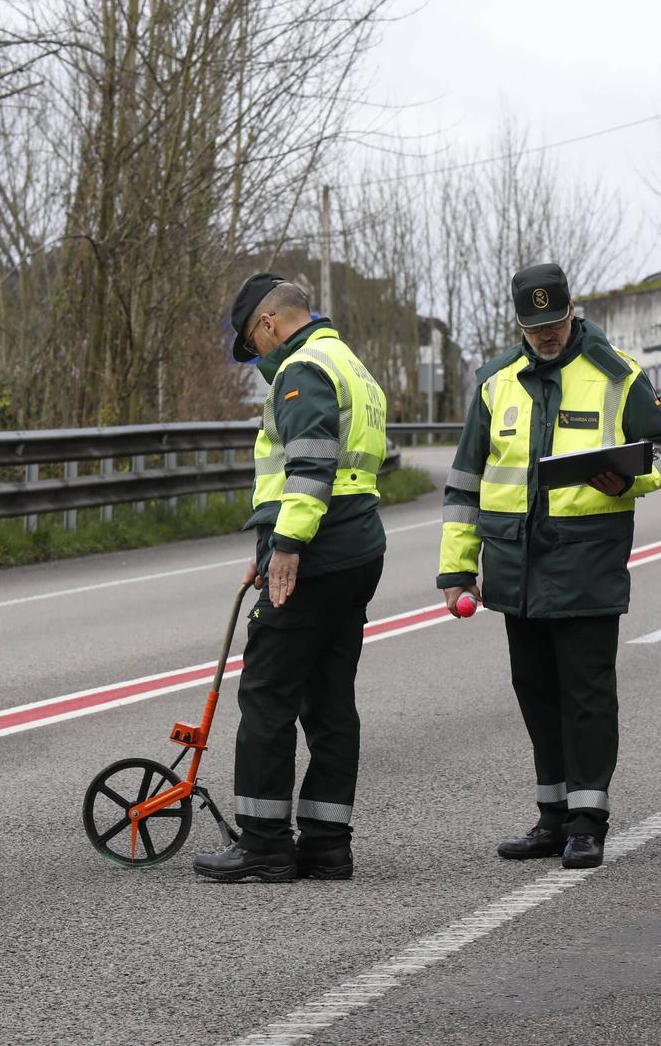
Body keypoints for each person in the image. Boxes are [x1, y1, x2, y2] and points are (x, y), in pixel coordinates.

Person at [437, 263, 661, 869]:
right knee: (536, 693)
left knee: (587, 696)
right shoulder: (497, 382)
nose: (546, 335)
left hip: (587, 563)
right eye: (533, 325)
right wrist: (456, 569)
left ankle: (587, 820)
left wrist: (634, 475)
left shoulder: (616, 373)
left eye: (554, 322)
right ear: (518, 323)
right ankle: (552, 816)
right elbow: (467, 481)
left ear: (572, 311)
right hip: (515, 568)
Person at [194, 274, 389, 883]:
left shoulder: (302, 369)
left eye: (253, 347)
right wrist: (271, 537)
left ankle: (264, 843)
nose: (257, 361)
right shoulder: (350, 362)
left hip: (317, 549)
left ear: (269, 325)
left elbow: (309, 467)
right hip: (357, 548)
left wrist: (287, 544)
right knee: (330, 699)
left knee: (268, 695)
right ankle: (328, 845)